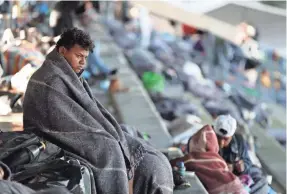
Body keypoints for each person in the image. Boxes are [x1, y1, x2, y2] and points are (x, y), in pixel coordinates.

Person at [23, 28, 173, 194]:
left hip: (69, 129)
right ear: (62, 51)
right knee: (110, 149)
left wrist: (106, 130)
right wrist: (101, 134)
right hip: (49, 135)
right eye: (78, 56)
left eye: (85, 58)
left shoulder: (68, 74)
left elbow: (89, 112)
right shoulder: (50, 79)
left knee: (132, 146)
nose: (83, 63)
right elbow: (61, 122)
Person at [170, 125, 248, 194]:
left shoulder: (193, 158)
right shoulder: (219, 159)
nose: (221, 143)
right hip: (237, 186)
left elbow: (170, 163)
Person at [213, 115, 270, 194]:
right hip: (218, 179)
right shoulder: (206, 139)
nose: (221, 143)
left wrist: (242, 167)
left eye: (226, 139)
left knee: (262, 182)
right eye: (218, 137)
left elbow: (247, 163)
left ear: (231, 136)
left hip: (237, 178)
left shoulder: (239, 143)